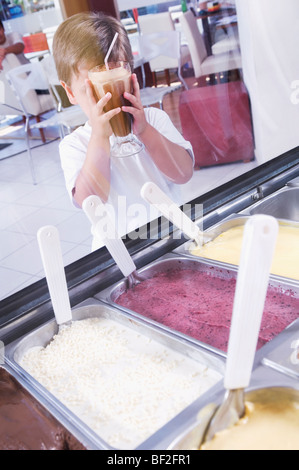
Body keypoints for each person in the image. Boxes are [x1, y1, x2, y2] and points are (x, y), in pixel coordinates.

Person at [53, 12, 194, 248]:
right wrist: (100, 136)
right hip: (116, 251)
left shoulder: (154, 119)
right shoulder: (74, 145)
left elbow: (184, 174)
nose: (106, 96)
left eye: (115, 74)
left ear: (129, 76)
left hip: (171, 237)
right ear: (70, 93)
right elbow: (91, 202)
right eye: (92, 86)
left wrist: (146, 131)